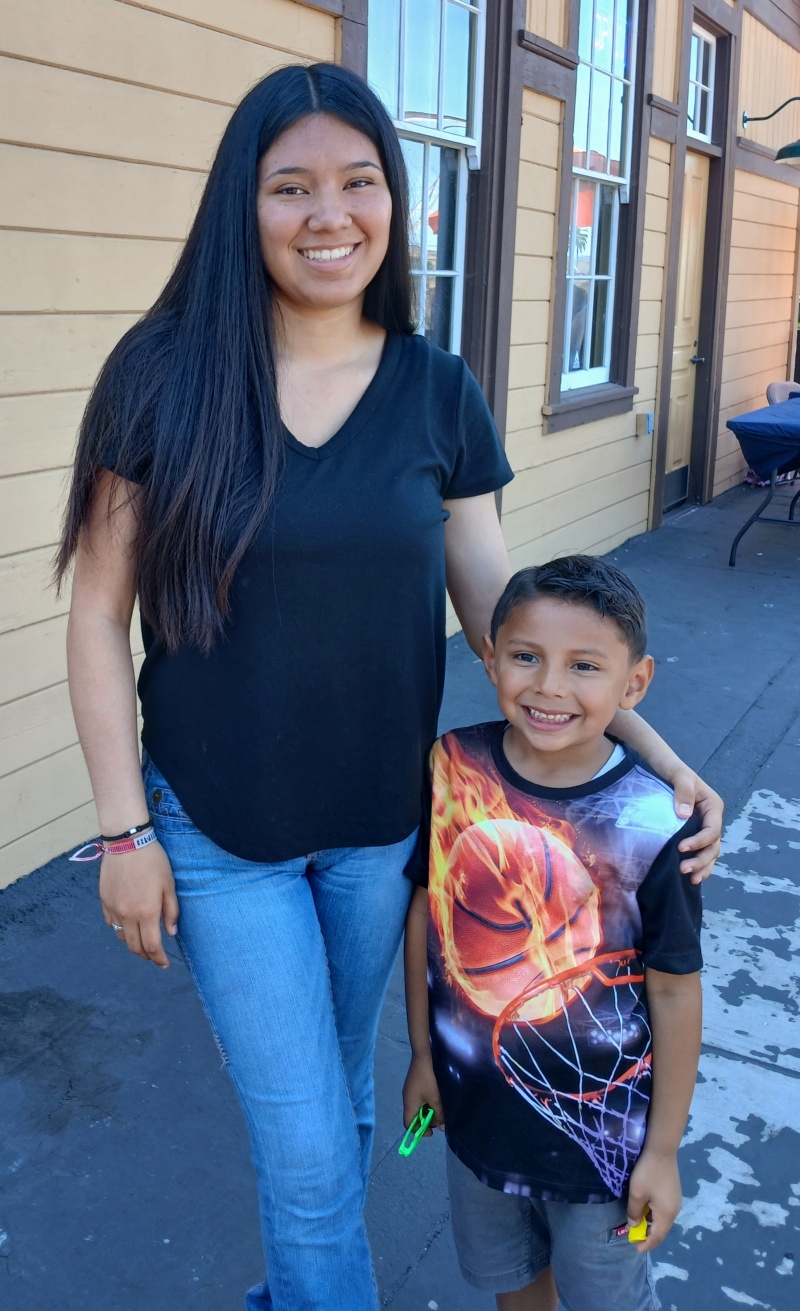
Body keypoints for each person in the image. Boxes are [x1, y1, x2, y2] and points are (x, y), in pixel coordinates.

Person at [56, 62, 719, 1311]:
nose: (328, 215)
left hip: (377, 834)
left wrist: (656, 758)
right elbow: (97, 614)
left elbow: (509, 624)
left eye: (358, 183)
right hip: (213, 829)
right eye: (290, 185)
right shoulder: (162, 378)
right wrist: (120, 829)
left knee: (344, 1109)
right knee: (309, 1153)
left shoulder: (434, 388)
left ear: (394, 202)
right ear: (238, 206)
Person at [403, 556, 703, 1311]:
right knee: (512, 1286)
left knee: (609, 1297)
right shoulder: (454, 765)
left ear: (633, 685)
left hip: (612, 1161)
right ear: (489, 654)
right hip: (481, 1127)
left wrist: (662, 1152)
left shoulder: (656, 822)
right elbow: (426, 920)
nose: (549, 687)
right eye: (526, 655)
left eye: (585, 666)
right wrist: (422, 1058)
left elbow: (673, 991)